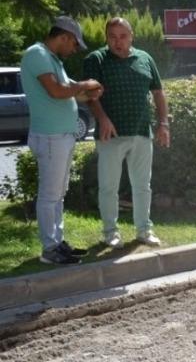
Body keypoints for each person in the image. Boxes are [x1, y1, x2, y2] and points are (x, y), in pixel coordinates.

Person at [19, 16, 103, 265]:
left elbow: (67, 93)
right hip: (50, 136)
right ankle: (49, 249)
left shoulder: (53, 59)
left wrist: (88, 93)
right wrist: (85, 84)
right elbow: (56, 91)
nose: (74, 50)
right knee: (49, 194)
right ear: (64, 36)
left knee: (58, 194)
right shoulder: (38, 54)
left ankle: (57, 242)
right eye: (75, 44)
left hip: (61, 136)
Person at [83, 16, 170, 249]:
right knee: (109, 187)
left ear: (131, 36)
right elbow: (91, 96)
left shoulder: (145, 58)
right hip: (110, 135)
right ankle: (110, 233)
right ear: (106, 38)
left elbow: (159, 93)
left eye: (122, 36)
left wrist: (163, 124)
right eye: (112, 37)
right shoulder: (96, 59)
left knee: (142, 185)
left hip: (142, 132)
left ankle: (144, 231)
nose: (117, 42)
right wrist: (102, 119)